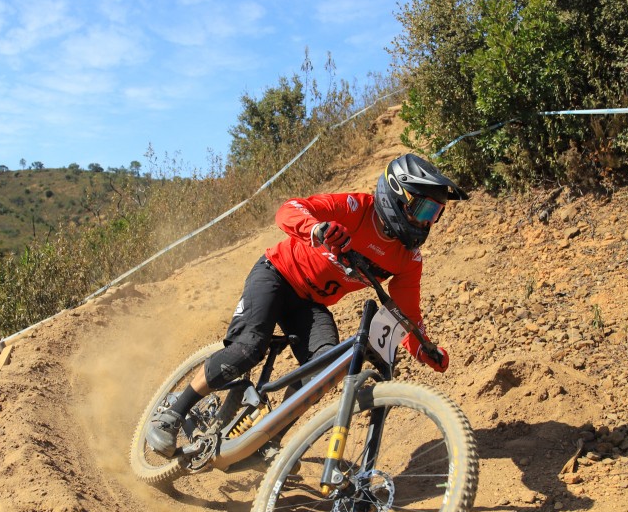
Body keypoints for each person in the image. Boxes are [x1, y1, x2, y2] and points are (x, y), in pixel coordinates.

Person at [146, 153, 468, 457]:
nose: (426, 223)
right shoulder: (356, 208)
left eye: (434, 215)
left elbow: (405, 312)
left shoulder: (408, 259)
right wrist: (316, 229)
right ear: (396, 196)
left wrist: (421, 347)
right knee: (248, 350)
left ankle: (264, 440)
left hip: (309, 304)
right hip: (276, 275)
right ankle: (173, 411)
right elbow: (289, 209)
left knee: (323, 370)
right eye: (423, 210)